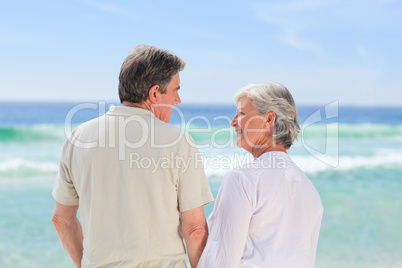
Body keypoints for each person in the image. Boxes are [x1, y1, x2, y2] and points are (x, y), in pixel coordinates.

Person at [52, 45, 214, 268]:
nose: (178, 100)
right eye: (175, 90)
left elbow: (61, 220)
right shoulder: (179, 142)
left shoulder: (78, 138)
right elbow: (195, 231)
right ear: (155, 93)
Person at [198, 82, 323, 267]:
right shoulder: (310, 192)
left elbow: (221, 261)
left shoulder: (242, 179)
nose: (232, 122)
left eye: (241, 113)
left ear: (268, 119)